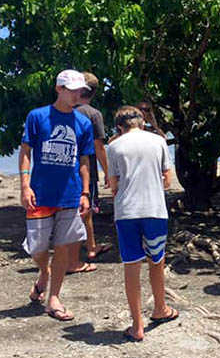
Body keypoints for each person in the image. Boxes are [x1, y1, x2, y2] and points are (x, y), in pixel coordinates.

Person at [19, 69, 94, 321]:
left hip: (70, 195)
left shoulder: (83, 123)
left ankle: (54, 298)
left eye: (80, 91)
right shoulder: (37, 117)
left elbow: (84, 160)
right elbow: (26, 151)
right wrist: (24, 185)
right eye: (72, 90)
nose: (77, 95)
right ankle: (44, 272)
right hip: (40, 194)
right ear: (59, 89)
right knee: (36, 247)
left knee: (63, 246)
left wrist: (85, 192)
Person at [107, 105, 177, 342]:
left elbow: (113, 184)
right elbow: (167, 180)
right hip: (154, 209)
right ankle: (160, 308)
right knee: (156, 261)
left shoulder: (114, 146)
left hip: (126, 212)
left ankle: (137, 325)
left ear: (119, 127)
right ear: (142, 121)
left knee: (131, 265)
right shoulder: (158, 141)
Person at [67, 71, 111, 273]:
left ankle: (86, 245)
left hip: (65, 167)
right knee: (87, 208)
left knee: (73, 208)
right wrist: (109, 172)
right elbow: (99, 147)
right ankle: (87, 250)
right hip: (86, 168)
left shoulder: (64, 110)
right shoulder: (93, 114)